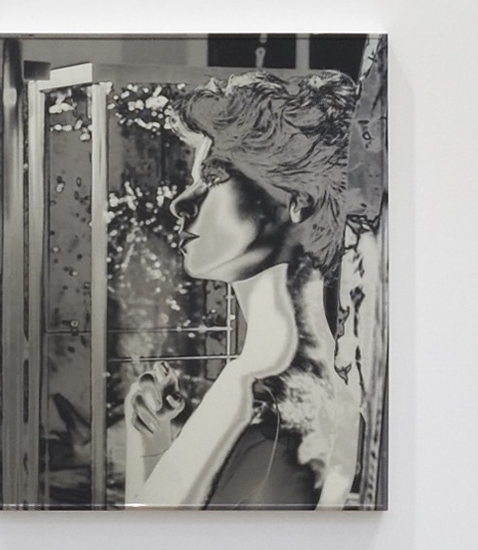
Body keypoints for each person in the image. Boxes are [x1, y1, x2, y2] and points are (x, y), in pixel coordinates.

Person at [127, 153, 369, 509]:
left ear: (298, 200)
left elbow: (142, 537)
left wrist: (147, 453)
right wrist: (153, 441)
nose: (181, 203)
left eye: (212, 177)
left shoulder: (259, 399)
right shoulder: (317, 388)